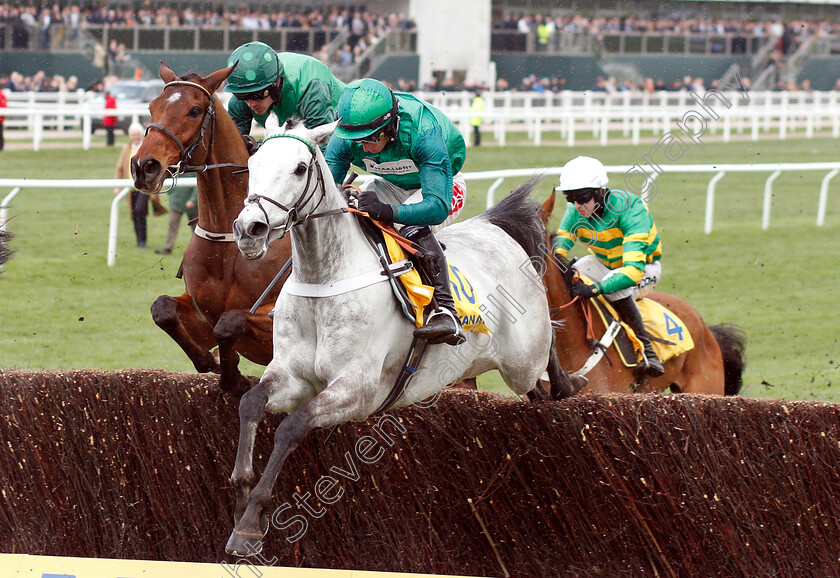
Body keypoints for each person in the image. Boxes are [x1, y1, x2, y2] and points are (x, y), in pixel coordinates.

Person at [325, 78, 468, 346]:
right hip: (389, 184)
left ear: (390, 125)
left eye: (372, 138)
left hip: (442, 188)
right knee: (348, 217)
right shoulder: (347, 135)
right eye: (357, 140)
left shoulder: (424, 132)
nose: (365, 147)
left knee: (410, 226)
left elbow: (436, 207)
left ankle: (446, 312)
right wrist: (340, 194)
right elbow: (327, 189)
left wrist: (388, 211)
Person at [552, 156, 665, 378]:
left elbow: (632, 271)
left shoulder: (631, 209)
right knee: (574, 270)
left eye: (582, 198)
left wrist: (595, 289)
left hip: (644, 269)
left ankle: (648, 353)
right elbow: (561, 244)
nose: (577, 206)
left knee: (616, 286)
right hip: (603, 263)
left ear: (600, 192)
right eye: (570, 198)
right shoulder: (575, 209)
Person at [224, 41, 345, 153]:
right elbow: (232, 151)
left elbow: (323, 149)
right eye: (242, 96)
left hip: (347, 128)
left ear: (276, 82)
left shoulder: (311, 88)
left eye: (257, 95)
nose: (251, 103)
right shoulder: (241, 96)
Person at [114, 123, 166, 248]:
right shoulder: (126, 149)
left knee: (139, 209)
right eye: (133, 135)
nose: (135, 137)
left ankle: (142, 241)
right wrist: (116, 185)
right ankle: (140, 240)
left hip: (144, 186)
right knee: (135, 213)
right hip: (130, 187)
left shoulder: (146, 148)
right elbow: (120, 167)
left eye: (137, 135)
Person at [155, 186, 198, 254]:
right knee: (172, 224)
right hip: (176, 202)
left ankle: (198, 248)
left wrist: (193, 200)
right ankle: (167, 248)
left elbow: (197, 185)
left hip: (192, 205)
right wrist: (171, 193)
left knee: (196, 227)